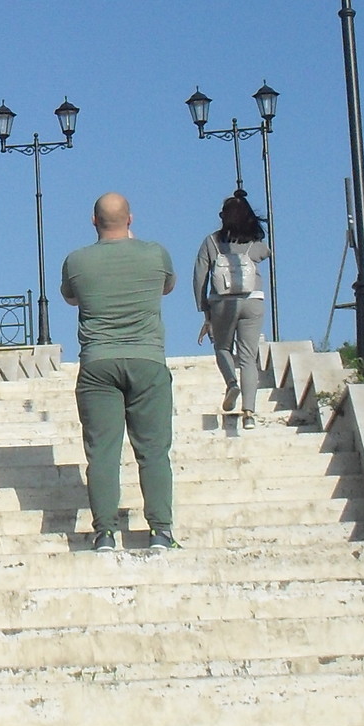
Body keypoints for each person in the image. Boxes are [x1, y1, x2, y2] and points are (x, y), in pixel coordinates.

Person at [60, 191, 177, 554]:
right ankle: (160, 531)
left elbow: (70, 297)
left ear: (93, 221)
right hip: (147, 361)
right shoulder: (155, 254)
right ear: (131, 219)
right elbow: (167, 287)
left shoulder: (76, 261)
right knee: (154, 451)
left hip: (97, 364)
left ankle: (105, 533)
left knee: (103, 453)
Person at [194, 190, 272, 425]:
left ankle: (231, 383)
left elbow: (200, 277)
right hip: (252, 301)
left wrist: (204, 310)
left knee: (222, 347)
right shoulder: (255, 243)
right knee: (249, 357)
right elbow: (267, 253)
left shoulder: (211, 242)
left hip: (222, 302)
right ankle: (249, 414)